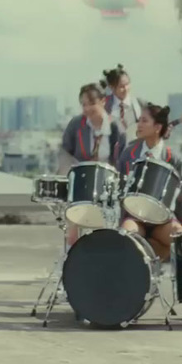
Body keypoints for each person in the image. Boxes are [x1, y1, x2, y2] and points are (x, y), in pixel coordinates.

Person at [115, 103, 182, 262]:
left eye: (144, 121)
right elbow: (118, 183)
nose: (139, 125)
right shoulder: (129, 153)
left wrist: (174, 192)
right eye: (139, 120)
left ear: (157, 127)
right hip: (135, 217)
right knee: (126, 238)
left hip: (163, 219)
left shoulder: (172, 156)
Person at [58, 83, 123, 247]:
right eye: (83, 104)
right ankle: (70, 260)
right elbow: (65, 152)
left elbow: (122, 159)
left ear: (103, 101)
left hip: (108, 185)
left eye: (91, 103)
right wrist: (65, 174)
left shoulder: (116, 127)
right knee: (72, 226)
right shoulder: (76, 124)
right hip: (81, 182)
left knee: (105, 229)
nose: (87, 109)